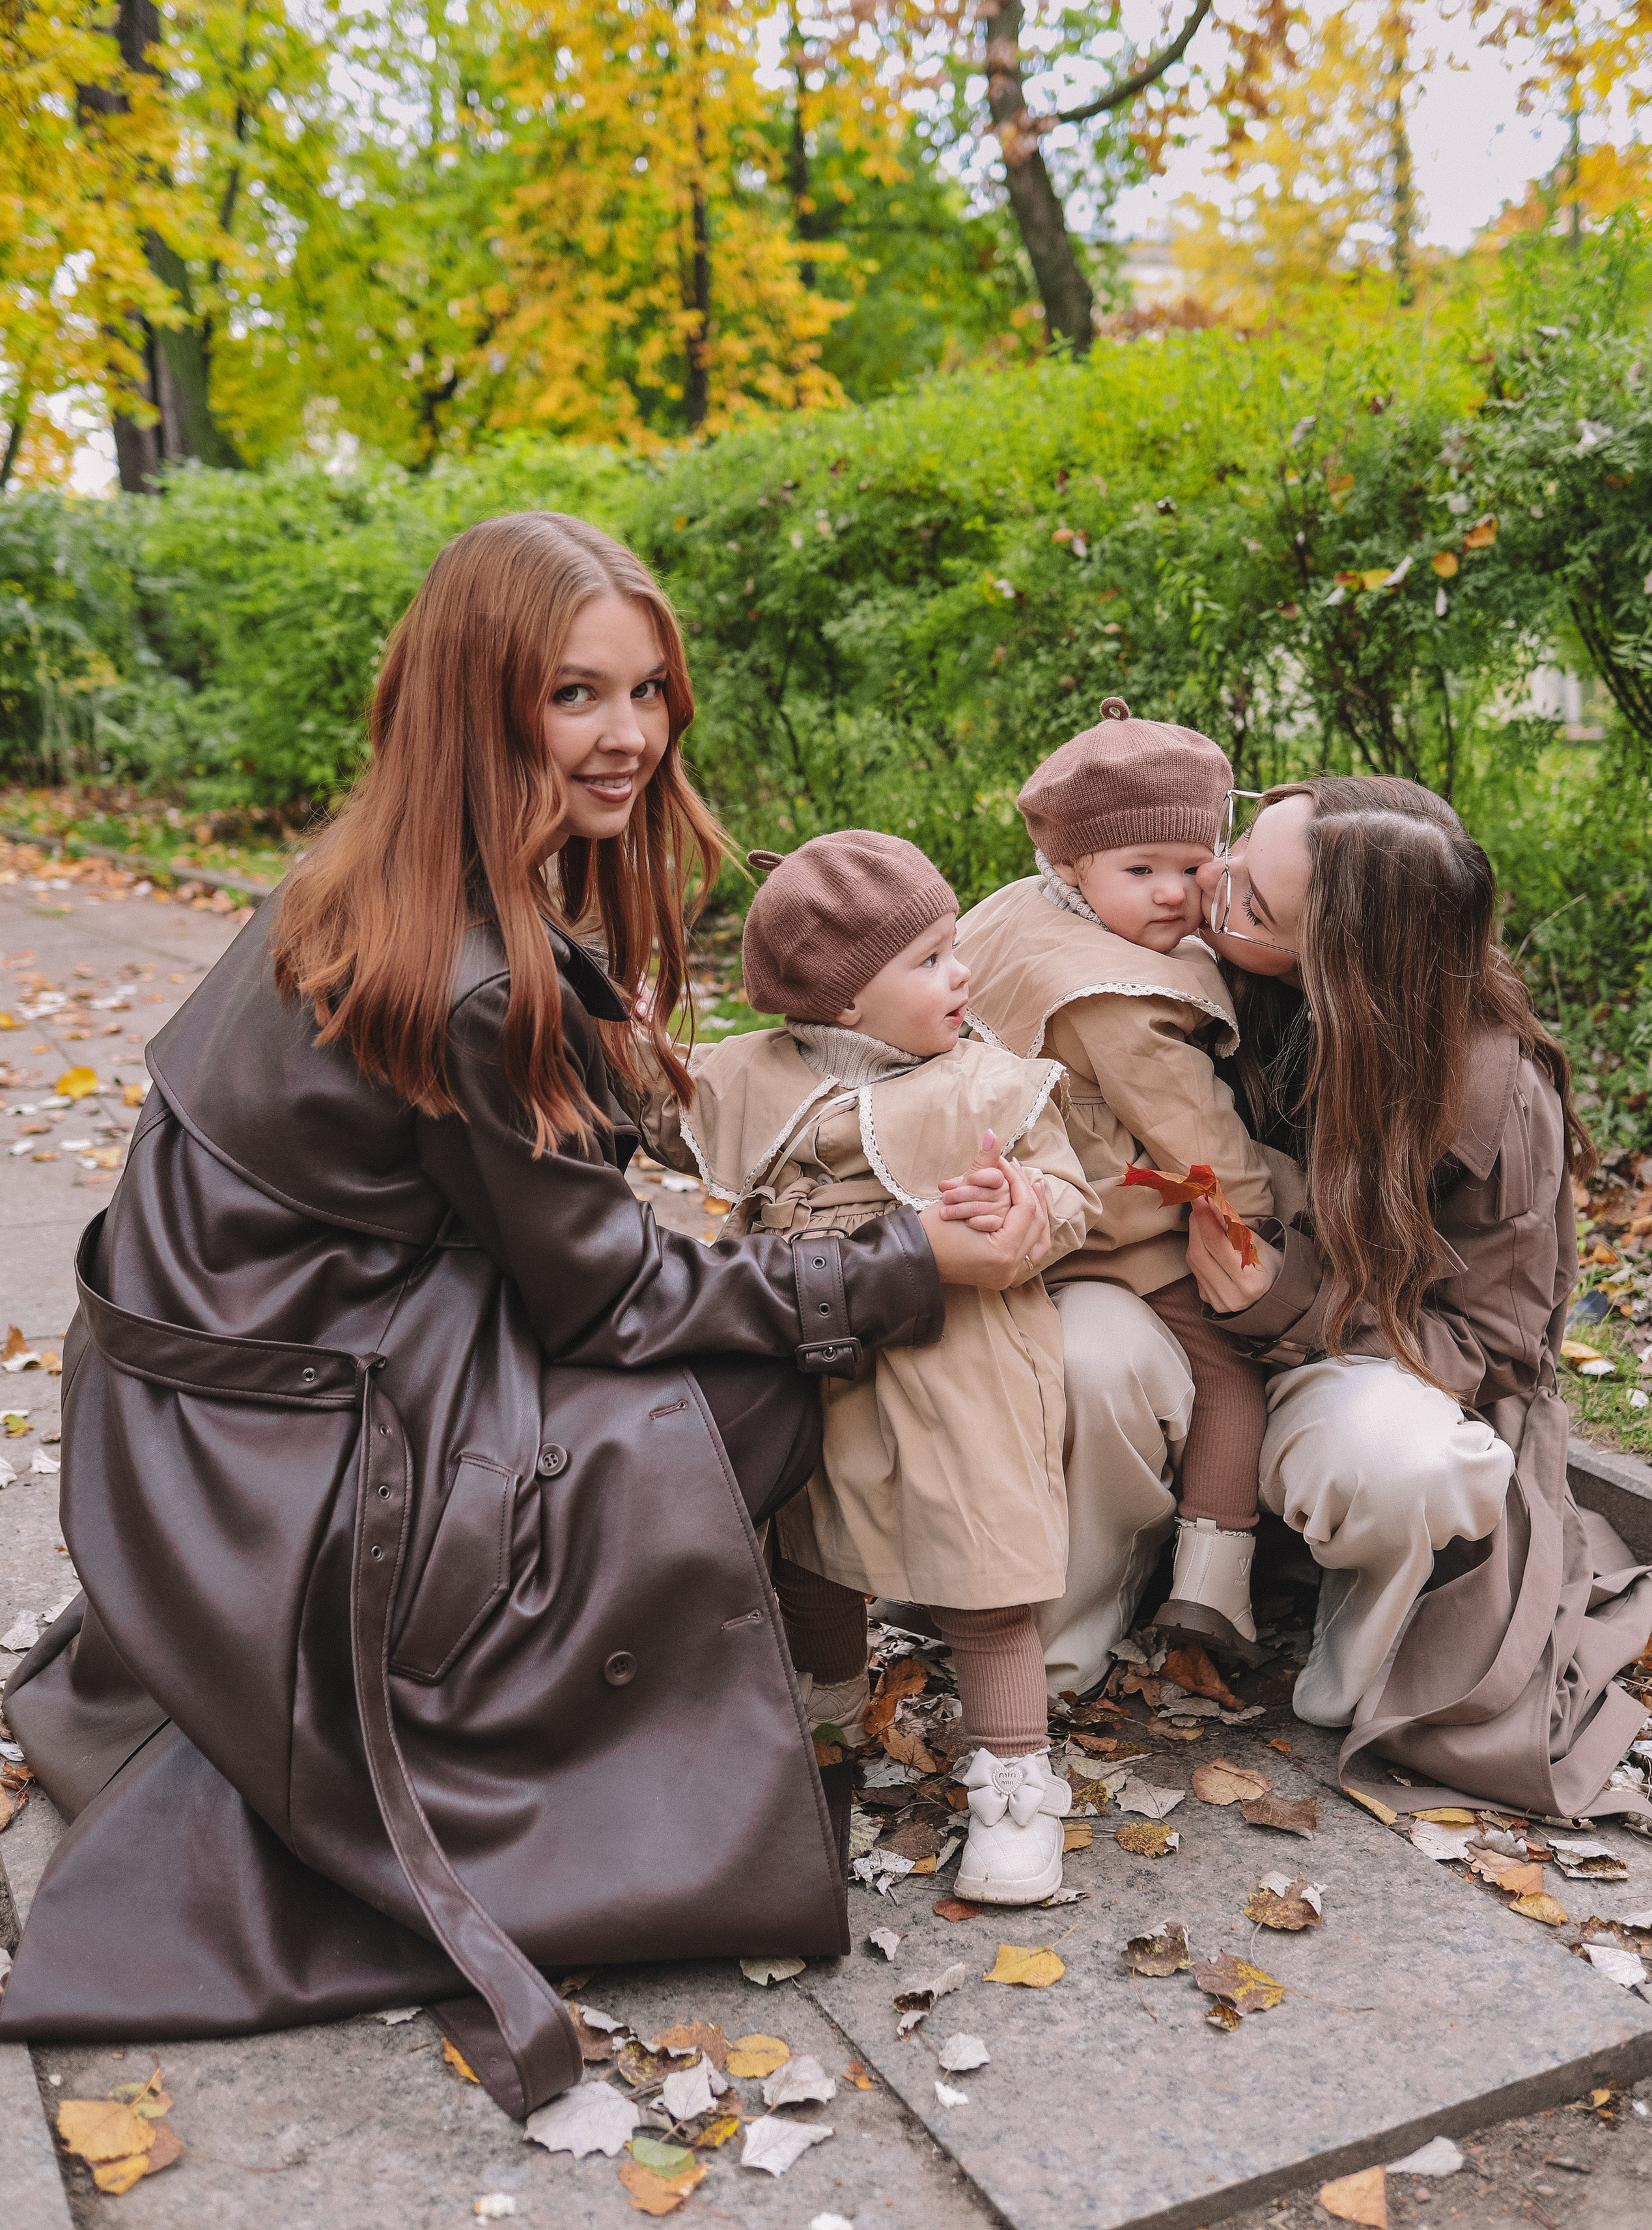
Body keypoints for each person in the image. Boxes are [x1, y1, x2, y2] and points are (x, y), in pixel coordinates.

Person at [0, 514, 1052, 2114]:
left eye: (646, 690)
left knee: (744, 1348)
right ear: (476, 699)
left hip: (198, 1413)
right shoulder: (473, 968)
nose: (628, 734)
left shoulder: (373, 868)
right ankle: (567, 1729)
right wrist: (907, 1265)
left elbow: (516, 1208)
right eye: (574, 694)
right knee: (764, 1392)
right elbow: (614, 1295)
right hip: (288, 1455)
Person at [634, 829, 1096, 1904]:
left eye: (955, 948)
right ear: (841, 999)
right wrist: (628, 1046)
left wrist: (1024, 1205)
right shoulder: (754, 1073)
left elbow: (1071, 1194)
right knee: (812, 1550)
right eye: (930, 960)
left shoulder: (985, 1086)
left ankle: (1015, 1781)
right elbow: (663, 1114)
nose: (961, 974)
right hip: (809, 1364)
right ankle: (828, 1710)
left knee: (984, 1572)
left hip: (960, 1372)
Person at [1184, 777, 1652, 1816]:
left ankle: (1360, 1640)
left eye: (1254, 902)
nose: (1211, 878)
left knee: (1405, 1460)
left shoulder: (1493, 1090)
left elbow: (1493, 1348)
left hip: (1342, 1368)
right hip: (1178, 1339)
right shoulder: (1177, 970)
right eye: (1238, 841)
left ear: (1342, 964)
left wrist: (1292, 1298)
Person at [956, 700, 1298, 1682]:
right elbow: (1201, 1142)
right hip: (1114, 1223)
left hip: (1019, 1196)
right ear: (1071, 867)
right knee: (1230, 1371)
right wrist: (1281, 1205)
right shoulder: (1118, 995)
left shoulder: (1017, 915)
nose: (1173, 894)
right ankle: (1214, 1579)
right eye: (1141, 871)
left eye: (1194, 866)